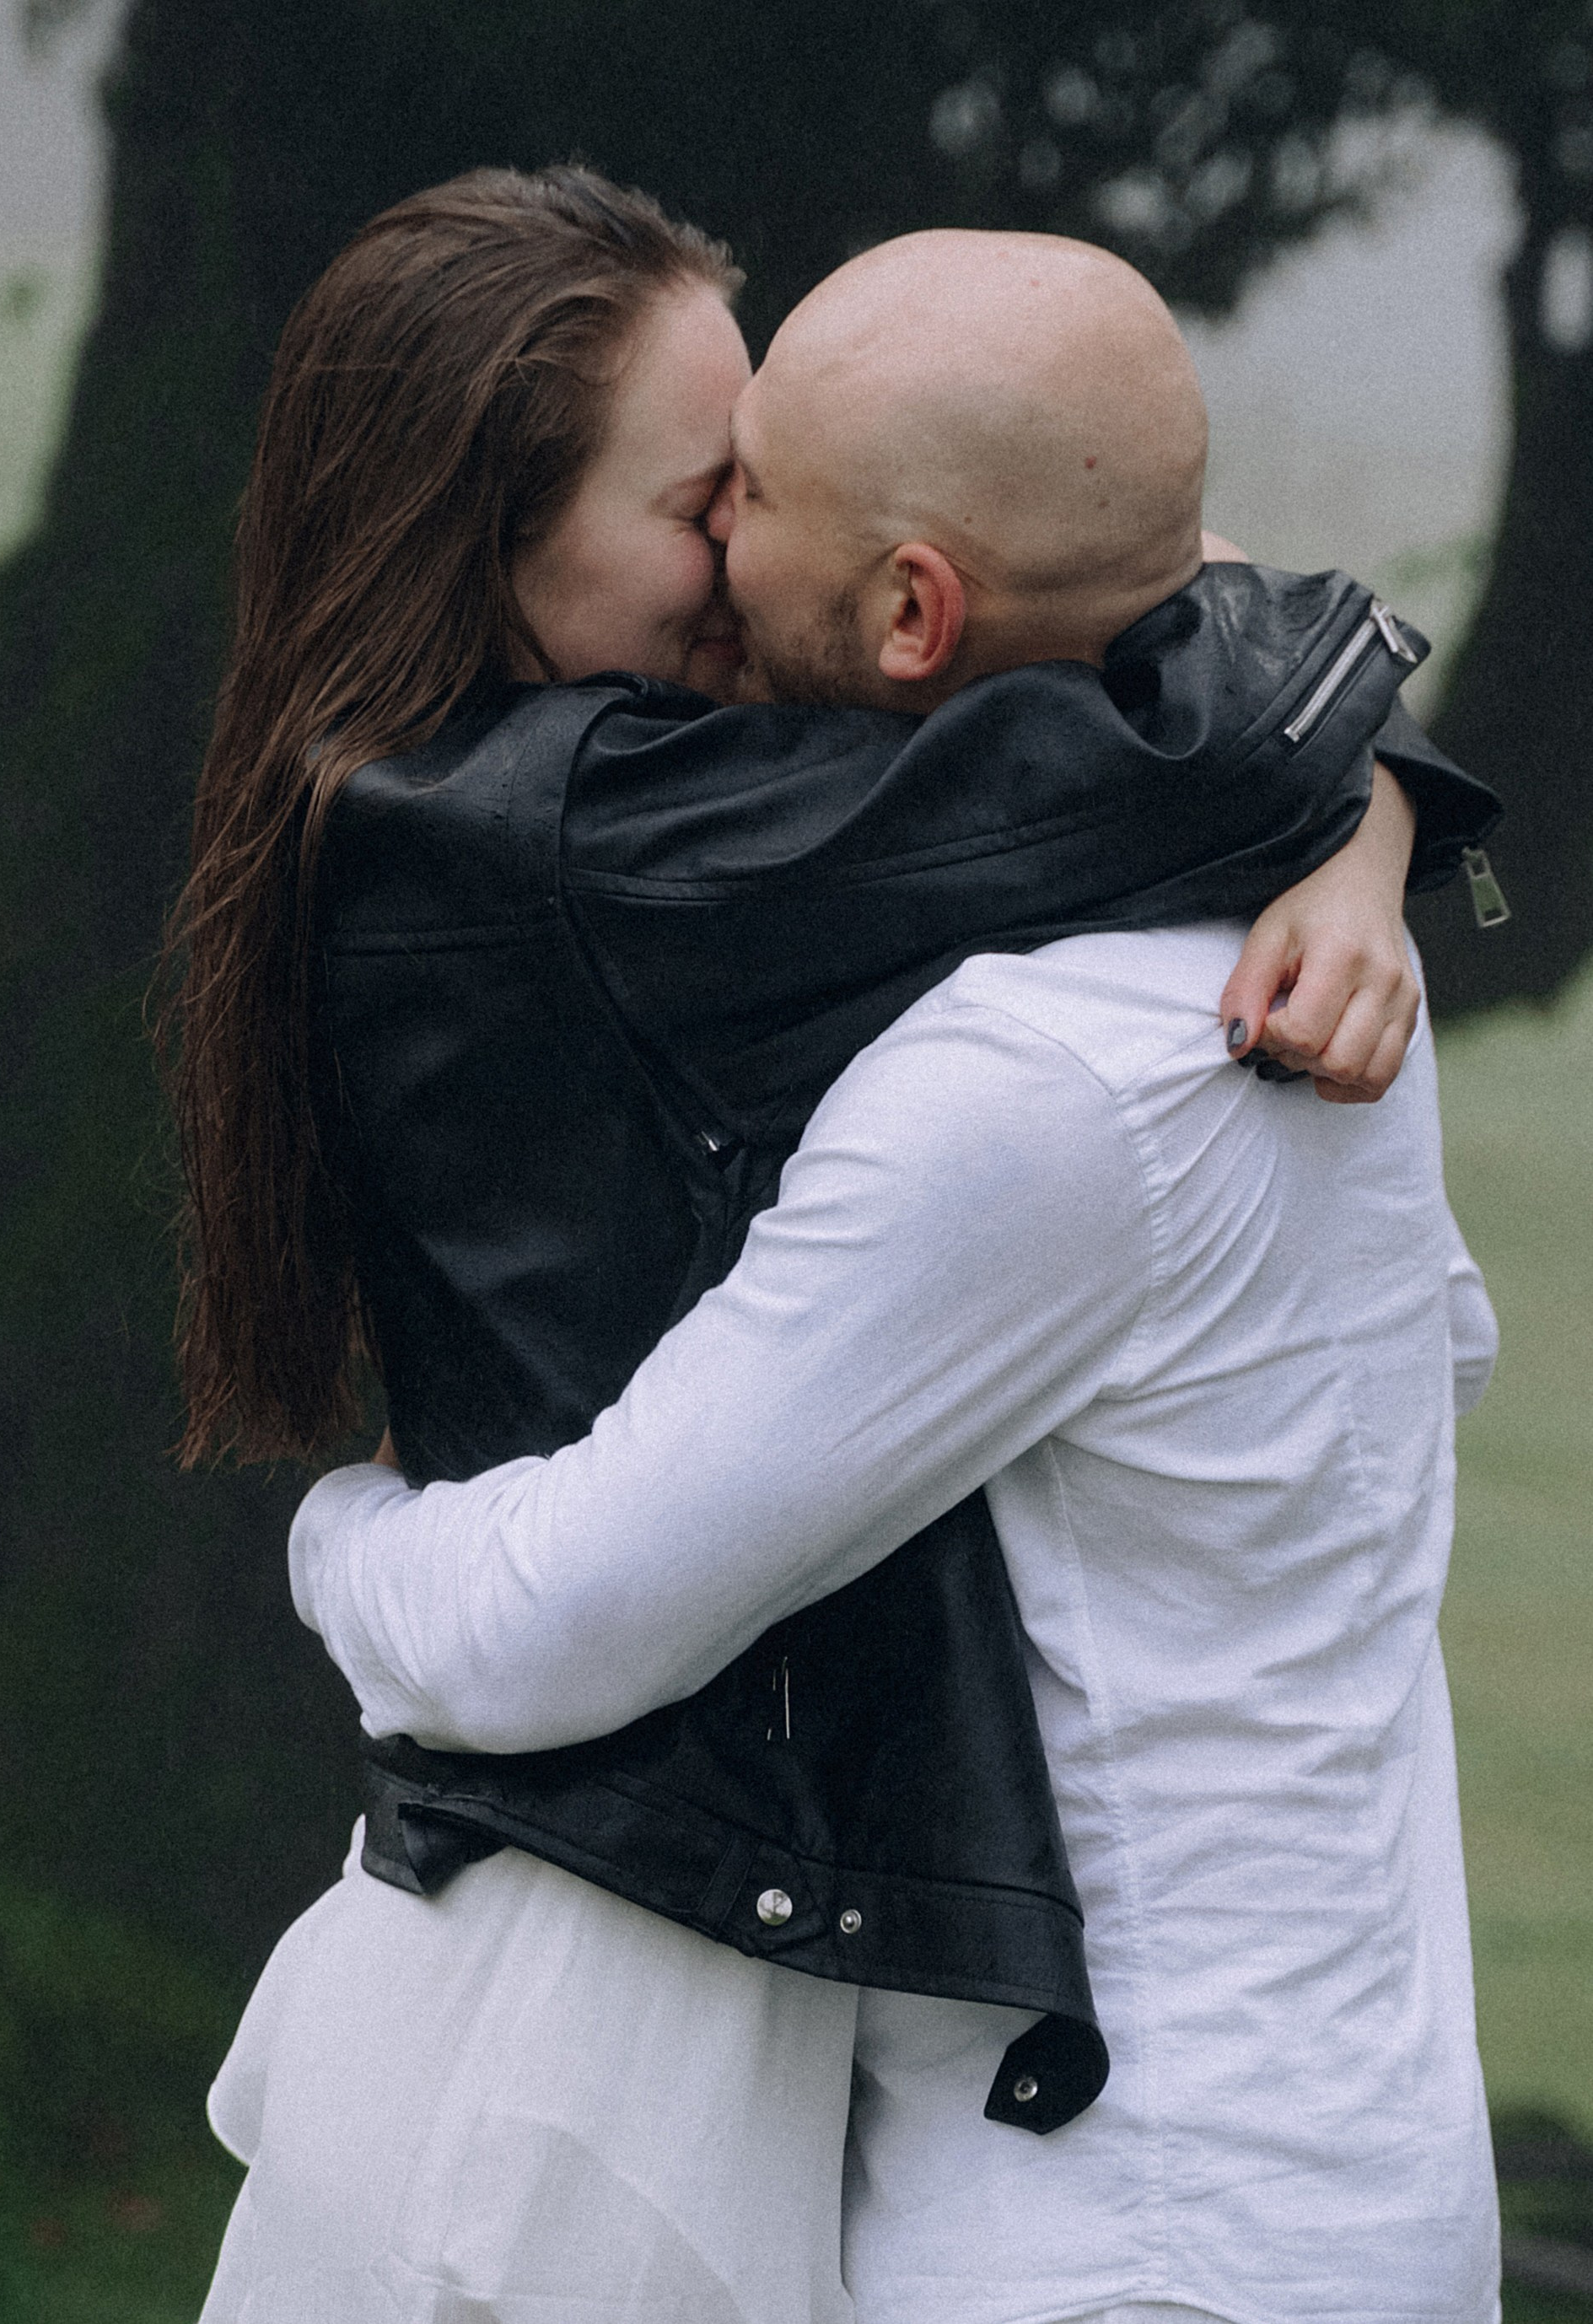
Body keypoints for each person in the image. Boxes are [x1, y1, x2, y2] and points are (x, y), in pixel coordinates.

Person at [172, 170, 1497, 2319]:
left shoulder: (1023, 1068)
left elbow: (557, 1618)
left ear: (906, 605)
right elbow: (1189, 684)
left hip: (1103, 2224)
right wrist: (1360, 817)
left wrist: (341, 1532)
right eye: (708, 493)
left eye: (753, 494)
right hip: (1317, 2169)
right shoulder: (569, 835)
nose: (735, 552)